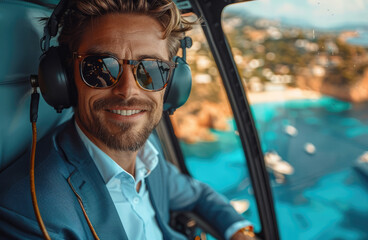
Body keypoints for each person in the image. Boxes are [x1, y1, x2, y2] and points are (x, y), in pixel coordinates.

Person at [0, 0, 255, 239]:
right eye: (100, 68)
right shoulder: (31, 211)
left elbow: (197, 194)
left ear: (173, 84)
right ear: (66, 78)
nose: (128, 91)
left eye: (152, 70)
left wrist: (239, 230)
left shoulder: (149, 156)